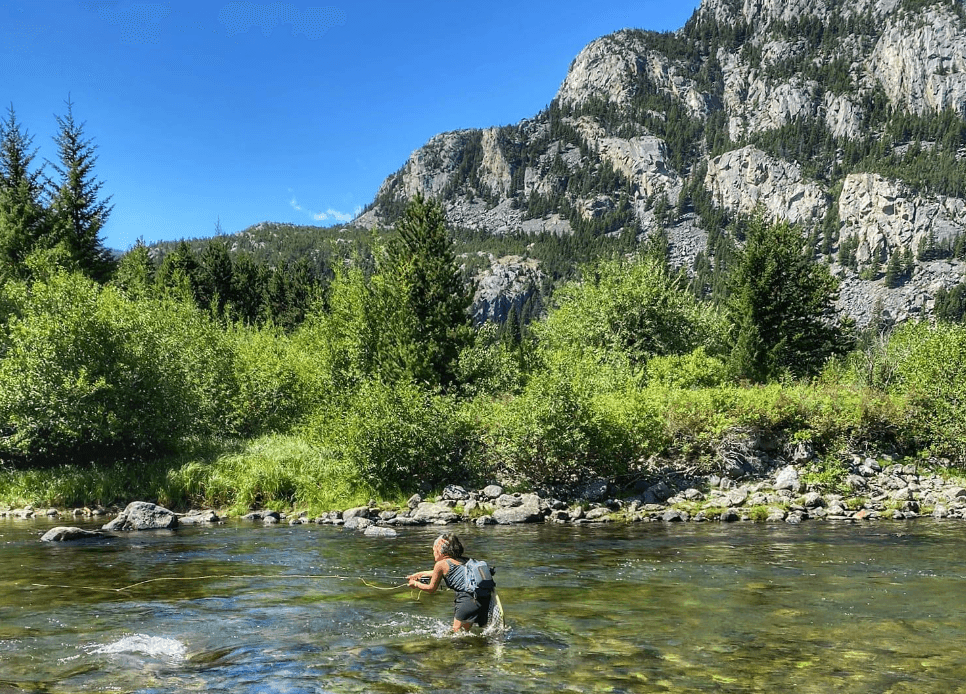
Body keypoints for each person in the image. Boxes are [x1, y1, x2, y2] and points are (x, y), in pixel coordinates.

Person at [407, 533, 493, 633]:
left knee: (457, 636)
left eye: (434, 550)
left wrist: (415, 584)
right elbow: (445, 572)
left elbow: (431, 589)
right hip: (484, 599)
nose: (433, 553)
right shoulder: (465, 560)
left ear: (439, 550)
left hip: (466, 601)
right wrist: (420, 574)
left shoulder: (440, 564)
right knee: (475, 635)